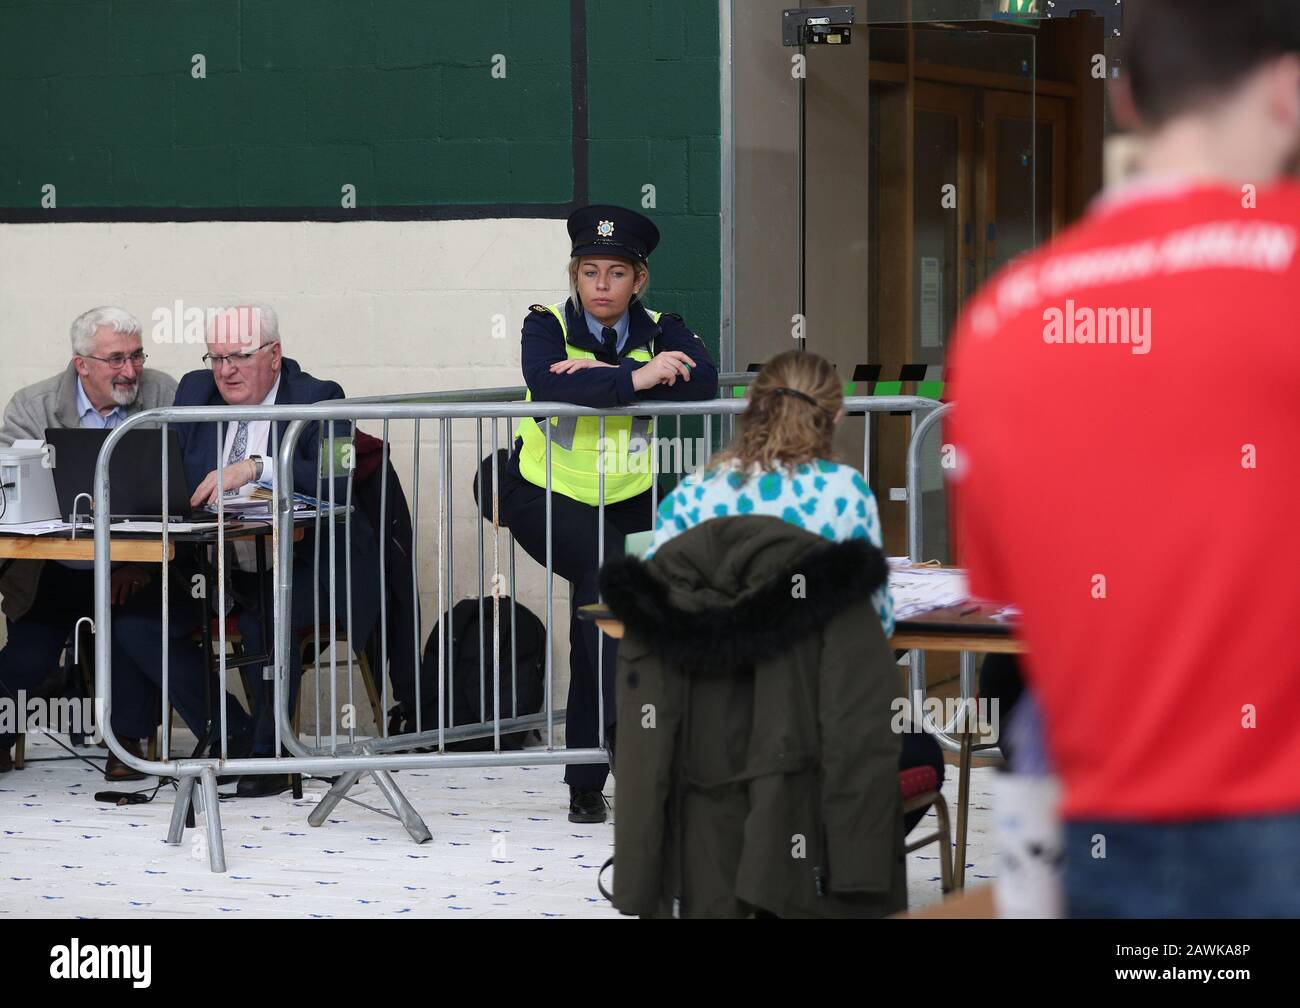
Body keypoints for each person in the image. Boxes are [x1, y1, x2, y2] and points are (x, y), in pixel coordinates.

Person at [947, 0, 1300, 917]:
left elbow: (1006, 586)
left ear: (1128, 99)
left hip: (1102, 826)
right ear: (1287, 89)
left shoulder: (1001, 315)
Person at [476, 204, 719, 823]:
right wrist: (639, 377)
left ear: (639, 280)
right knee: (612, 589)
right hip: (543, 494)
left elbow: (703, 384)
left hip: (630, 499)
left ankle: (586, 780)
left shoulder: (667, 325)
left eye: (616, 272)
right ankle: (629, 750)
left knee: (603, 614)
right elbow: (549, 383)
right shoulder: (545, 324)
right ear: (575, 276)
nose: (602, 284)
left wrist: (606, 374)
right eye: (590, 272)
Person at [642, 350, 941, 833]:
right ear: (837, 416)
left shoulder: (693, 491)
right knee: (919, 748)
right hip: (814, 729)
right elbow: (875, 622)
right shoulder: (844, 492)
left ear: (750, 409)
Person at [111, 305, 380, 797]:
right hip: (214, 570)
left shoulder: (322, 399)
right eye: (216, 357)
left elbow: (335, 481)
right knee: (137, 621)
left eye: (239, 356)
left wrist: (258, 467)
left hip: (306, 565)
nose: (225, 371)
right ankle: (228, 732)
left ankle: (271, 756)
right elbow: (171, 474)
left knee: (264, 620)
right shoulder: (196, 391)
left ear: (274, 355)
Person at [0, 307, 176, 779]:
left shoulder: (165, 394)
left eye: (136, 355)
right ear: (81, 363)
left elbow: (179, 490)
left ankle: (128, 745)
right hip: (51, 567)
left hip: (132, 563)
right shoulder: (30, 407)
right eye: (115, 359)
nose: (130, 370)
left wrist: (141, 566)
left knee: (130, 628)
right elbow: (12, 496)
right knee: (29, 652)